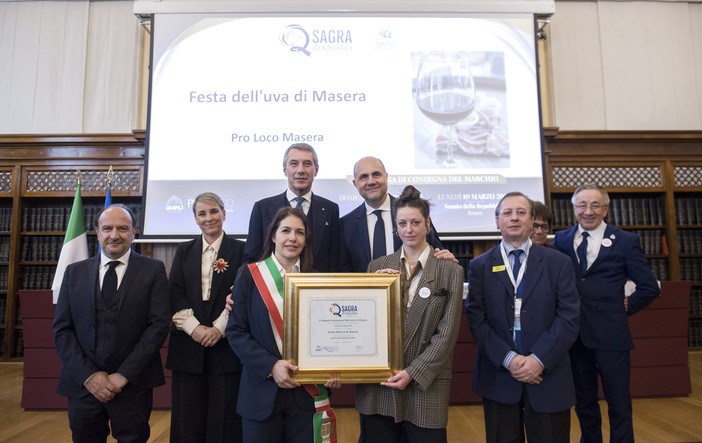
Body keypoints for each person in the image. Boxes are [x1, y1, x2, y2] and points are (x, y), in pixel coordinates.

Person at [465, 192, 580, 443]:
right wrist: (509, 359)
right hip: (499, 376)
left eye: (521, 212)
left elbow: (568, 317)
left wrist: (538, 359)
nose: (514, 218)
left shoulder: (559, 263)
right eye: (507, 213)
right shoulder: (480, 266)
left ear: (532, 221)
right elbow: (477, 320)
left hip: (548, 376)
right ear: (497, 221)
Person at [52, 204, 170, 442]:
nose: (114, 235)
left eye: (122, 228)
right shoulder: (74, 272)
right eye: (107, 228)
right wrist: (90, 376)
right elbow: (62, 330)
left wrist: (123, 375)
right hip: (83, 385)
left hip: (133, 385)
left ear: (134, 232)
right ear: (97, 232)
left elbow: (158, 326)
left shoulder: (153, 270)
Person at [355, 185, 464, 443]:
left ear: (427, 223)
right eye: (402, 223)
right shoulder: (377, 267)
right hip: (380, 382)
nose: (409, 230)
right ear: (395, 226)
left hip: (426, 383)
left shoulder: (450, 270)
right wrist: (373, 290)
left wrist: (413, 372)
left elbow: (447, 334)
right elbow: (363, 323)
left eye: (415, 222)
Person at [552, 183, 660, 443]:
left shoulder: (625, 240)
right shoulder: (561, 239)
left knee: (618, 401)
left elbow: (648, 287)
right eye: (582, 205)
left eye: (595, 205)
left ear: (606, 209)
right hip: (574, 336)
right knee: (584, 400)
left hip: (611, 335)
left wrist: (626, 307)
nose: (588, 211)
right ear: (574, 208)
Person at [226, 207, 340, 442]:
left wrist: (335, 366)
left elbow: (330, 334)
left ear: (306, 240)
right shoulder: (248, 275)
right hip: (260, 394)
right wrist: (271, 366)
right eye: (285, 230)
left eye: (299, 232)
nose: (292, 238)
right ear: (273, 236)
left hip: (307, 396)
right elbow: (236, 331)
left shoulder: (318, 279)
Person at [165, 192, 245, 443]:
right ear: (195, 219)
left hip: (227, 348)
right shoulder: (184, 250)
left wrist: (219, 329)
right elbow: (175, 293)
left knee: (225, 421)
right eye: (202, 213)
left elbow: (243, 295)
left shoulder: (243, 250)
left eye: (213, 212)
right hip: (188, 347)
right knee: (188, 420)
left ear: (224, 213)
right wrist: (195, 329)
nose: (208, 218)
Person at [341, 156, 452, 272]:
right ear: (355, 183)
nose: (371, 181)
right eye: (364, 177)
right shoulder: (345, 225)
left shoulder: (412, 211)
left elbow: (436, 251)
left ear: (386, 177)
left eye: (376, 174)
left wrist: (444, 256)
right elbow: (344, 271)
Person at [242, 143, 342, 271]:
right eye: (294, 164)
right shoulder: (262, 208)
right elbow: (252, 258)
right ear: (285, 170)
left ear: (315, 170)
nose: (300, 170)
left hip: (317, 287)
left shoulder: (331, 209)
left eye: (307, 164)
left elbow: (334, 260)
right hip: (272, 288)